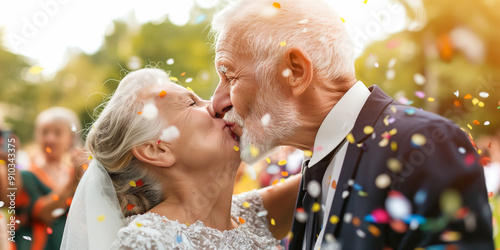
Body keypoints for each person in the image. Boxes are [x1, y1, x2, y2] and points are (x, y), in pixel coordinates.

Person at [210, 0, 494, 249]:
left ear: (294, 71)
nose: (217, 102)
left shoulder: (425, 144)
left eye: (230, 76)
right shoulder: (318, 166)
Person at [61, 68, 301, 249]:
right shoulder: (145, 242)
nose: (218, 106)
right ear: (157, 150)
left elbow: (328, 166)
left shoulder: (249, 214)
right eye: (191, 103)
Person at [9, 107, 84, 250]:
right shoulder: (27, 174)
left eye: (57, 133)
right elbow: (43, 214)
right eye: (44, 132)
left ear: (70, 139)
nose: (50, 138)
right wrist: (73, 181)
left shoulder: (73, 171)